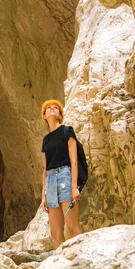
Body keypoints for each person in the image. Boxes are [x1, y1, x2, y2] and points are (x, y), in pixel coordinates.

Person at [40, 99, 82, 248]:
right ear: (44, 116)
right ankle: (63, 265)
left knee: (73, 228)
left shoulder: (67, 131)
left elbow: (74, 161)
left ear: (60, 115)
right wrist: (43, 194)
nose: (52, 109)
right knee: (56, 234)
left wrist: (74, 186)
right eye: (48, 108)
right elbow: (45, 168)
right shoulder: (46, 140)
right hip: (51, 180)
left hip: (65, 176)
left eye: (55, 108)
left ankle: (81, 258)